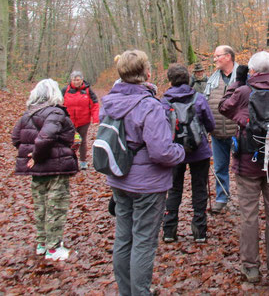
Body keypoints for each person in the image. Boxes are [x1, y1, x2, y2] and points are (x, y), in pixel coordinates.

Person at [100, 50, 185, 295]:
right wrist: (180, 151)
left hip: (118, 178)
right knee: (144, 241)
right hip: (147, 185)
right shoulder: (150, 106)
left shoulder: (109, 102)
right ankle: (139, 292)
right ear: (147, 74)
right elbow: (161, 152)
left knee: (123, 237)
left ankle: (127, 291)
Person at [219, 51, 269, 285]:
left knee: (249, 216)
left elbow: (224, 107)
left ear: (253, 71)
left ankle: (251, 268)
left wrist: (237, 83)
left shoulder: (243, 92)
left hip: (248, 163)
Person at [12, 79, 78, 261]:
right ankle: (53, 247)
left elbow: (16, 138)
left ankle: (43, 243)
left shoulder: (28, 114)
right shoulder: (55, 112)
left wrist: (29, 152)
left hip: (38, 169)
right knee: (55, 206)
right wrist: (36, 155)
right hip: (55, 168)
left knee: (41, 206)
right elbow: (46, 136)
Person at [161, 64, 215, 243]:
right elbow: (210, 124)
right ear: (188, 79)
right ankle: (200, 232)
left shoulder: (164, 101)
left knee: (174, 189)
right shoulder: (198, 98)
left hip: (173, 151)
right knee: (199, 189)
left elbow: (161, 127)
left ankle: (169, 230)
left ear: (170, 81)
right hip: (199, 151)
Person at [204, 45, 238, 213]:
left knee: (243, 167)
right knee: (219, 167)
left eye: (217, 56)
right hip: (217, 133)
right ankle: (221, 198)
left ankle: (247, 198)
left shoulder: (243, 77)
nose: (215, 59)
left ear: (228, 57)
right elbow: (205, 102)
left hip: (239, 134)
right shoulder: (211, 80)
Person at [62, 71, 99, 170]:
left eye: (78, 79)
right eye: (74, 79)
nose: (76, 82)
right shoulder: (65, 90)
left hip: (84, 121)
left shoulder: (87, 90)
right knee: (70, 140)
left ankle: (83, 161)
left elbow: (95, 104)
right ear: (71, 80)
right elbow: (58, 103)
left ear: (82, 80)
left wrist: (95, 119)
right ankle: (69, 160)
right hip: (69, 121)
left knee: (82, 141)